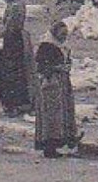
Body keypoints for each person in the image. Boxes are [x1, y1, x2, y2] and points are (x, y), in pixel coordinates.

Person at [34, 22, 81, 158]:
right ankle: (50, 147)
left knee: (62, 113)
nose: (64, 37)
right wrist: (58, 68)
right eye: (62, 35)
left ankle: (65, 140)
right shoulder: (46, 46)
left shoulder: (62, 46)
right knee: (52, 116)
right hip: (50, 85)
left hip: (62, 83)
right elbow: (41, 66)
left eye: (66, 35)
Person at [0, 0, 34, 116]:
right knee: (19, 71)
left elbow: (10, 26)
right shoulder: (20, 3)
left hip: (13, 41)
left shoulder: (14, 6)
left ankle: (14, 103)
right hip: (18, 39)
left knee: (12, 71)